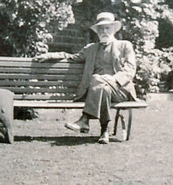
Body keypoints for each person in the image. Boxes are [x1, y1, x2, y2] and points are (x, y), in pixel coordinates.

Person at [36, 12, 137, 144]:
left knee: (97, 79)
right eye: (101, 29)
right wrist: (50, 56)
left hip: (120, 89)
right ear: (97, 32)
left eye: (107, 28)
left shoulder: (125, 45)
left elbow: (130, 68)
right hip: (101, 90)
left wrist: (114, 79)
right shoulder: (91, 48)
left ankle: (85, 120)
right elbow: (72, 57)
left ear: (113, 29)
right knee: (103, 88)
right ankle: (104, 131)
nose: (104, 31)